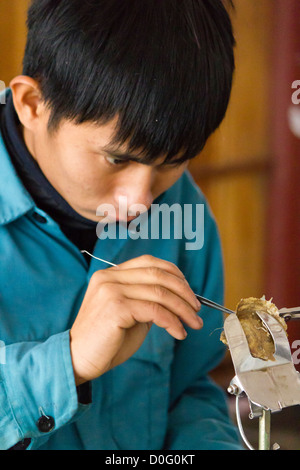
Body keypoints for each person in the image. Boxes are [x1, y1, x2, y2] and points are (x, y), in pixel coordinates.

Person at [0, 0, 242, 450]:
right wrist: (68, 363)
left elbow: (187, 389)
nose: (140, 202)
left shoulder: (183, 211)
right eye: (117, 158)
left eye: (172, 163)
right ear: (32, 103)